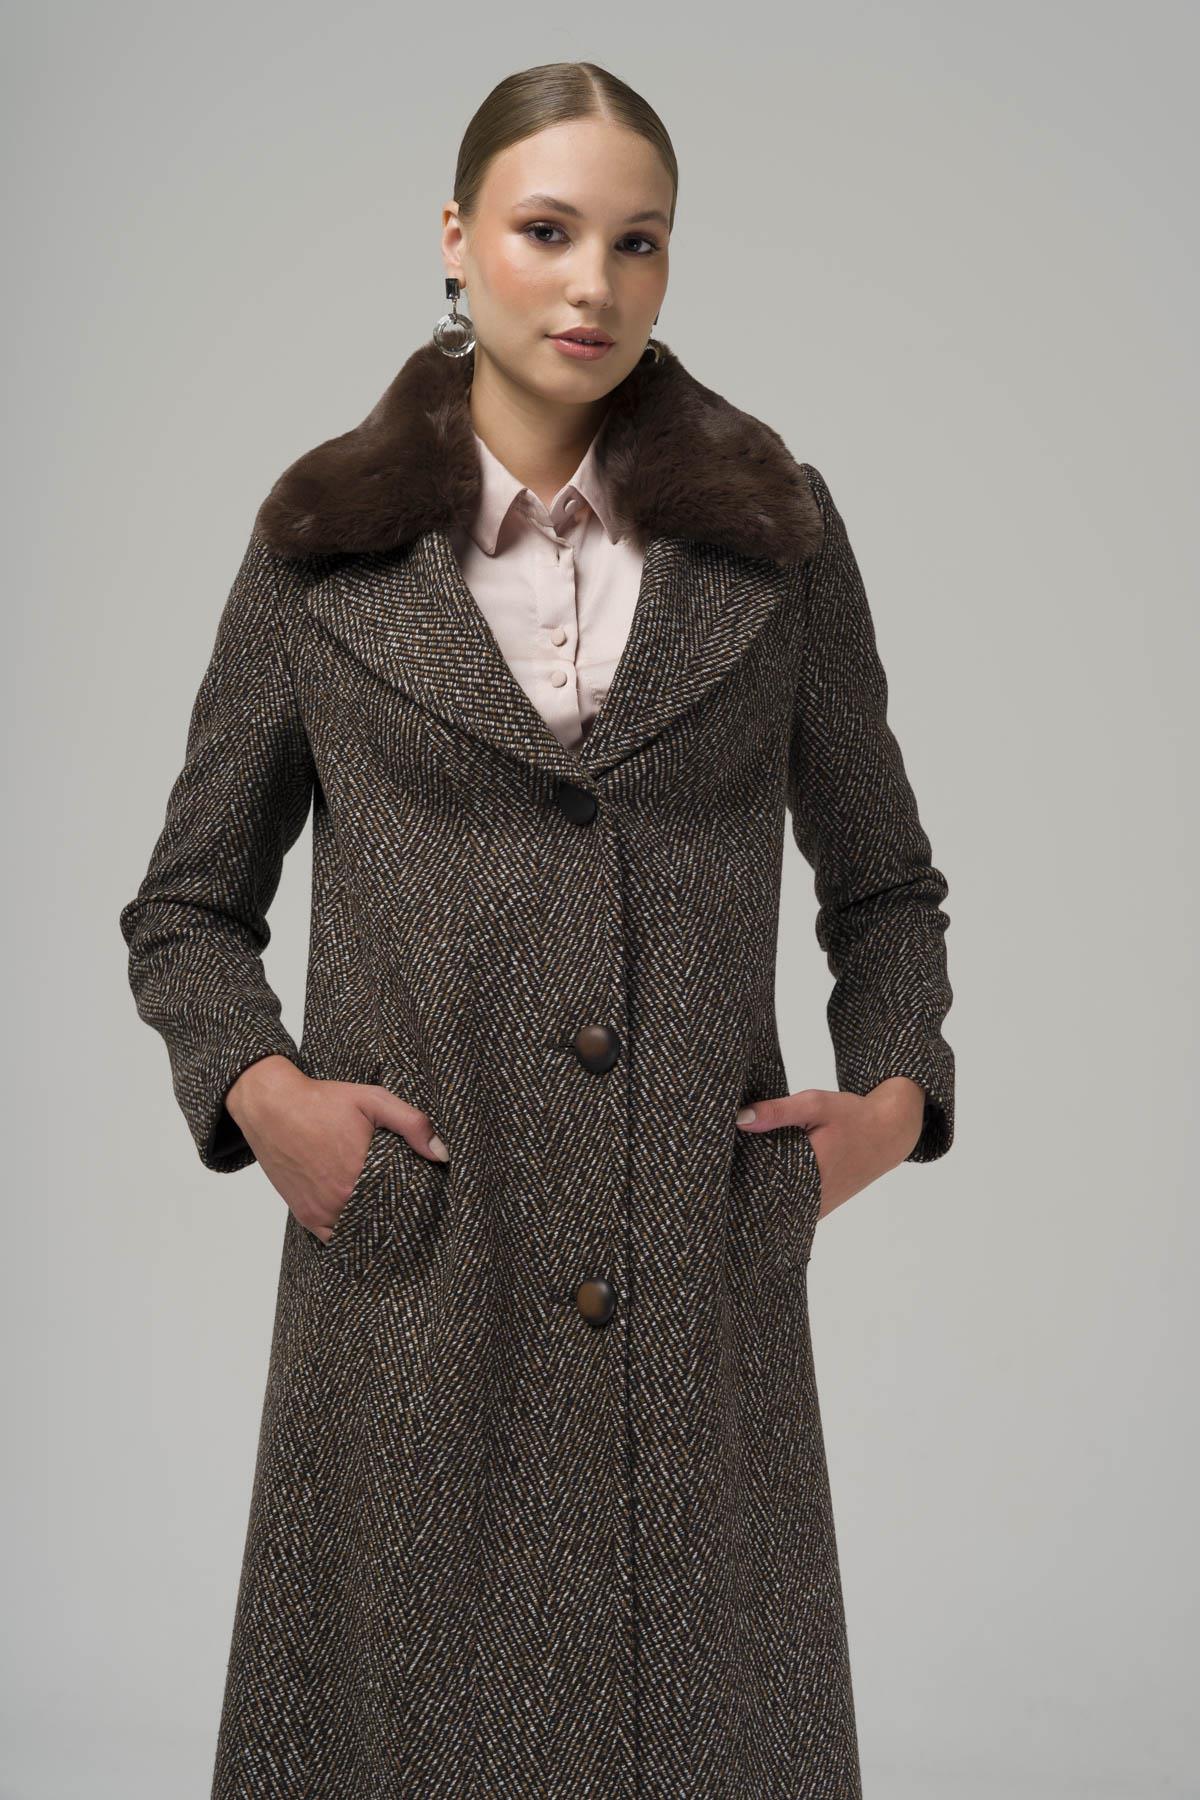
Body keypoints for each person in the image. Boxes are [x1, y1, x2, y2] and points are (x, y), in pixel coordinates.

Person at [119, 58, 954, 1800]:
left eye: (639, 242)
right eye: (548, 231)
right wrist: (267, 1098)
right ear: (456, 237)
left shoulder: (777, 539)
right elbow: (188, 905)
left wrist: (890, 1104)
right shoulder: (324, 549)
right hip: (422, 1288)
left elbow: (883, 885)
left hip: (695, 1290)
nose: (595, 284)